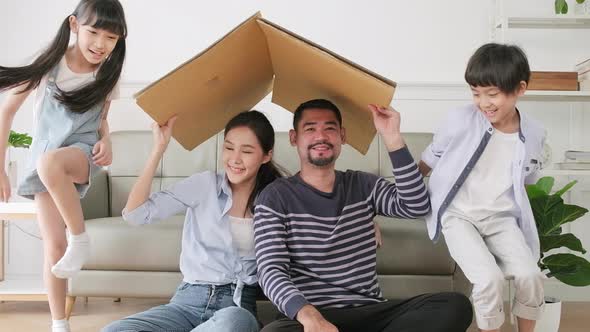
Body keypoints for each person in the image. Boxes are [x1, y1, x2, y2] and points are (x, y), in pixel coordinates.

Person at [254, 98, 473, 332]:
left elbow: (416, 205)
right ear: (293, 138)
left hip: (370, 313)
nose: (321, 136)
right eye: (310, 129)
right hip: (311, 317)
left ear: (342, 136)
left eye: (330, 128)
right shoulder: (274, 196)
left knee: (455, 306)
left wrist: (392, 137)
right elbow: (270, 269)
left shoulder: (362, 185)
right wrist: (308, 316)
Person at [0, 1, 127, 331]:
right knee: (54, 248)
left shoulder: (108, 73)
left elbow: (102, 122)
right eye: (94, 32)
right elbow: (6, 113)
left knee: (50, 163)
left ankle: (81, 239)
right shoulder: (50, 66)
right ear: (74, 25)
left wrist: (107, 142)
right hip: (45, 165)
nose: (100, 44)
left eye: (111, 37)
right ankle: (60, 324)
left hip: (80, 156)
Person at [103, 110, 283, 332]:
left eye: (246, 151)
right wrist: (158, 149)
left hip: (235, 307)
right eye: (228, 148)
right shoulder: (204, 185)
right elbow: (135, 215)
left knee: (235, 321)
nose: (235, 159)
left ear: (266, 156)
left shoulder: (276, 198)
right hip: (186, 304)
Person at [419, 43, 546, 332]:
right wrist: (402, 196)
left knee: (530, 275)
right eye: (476, 93)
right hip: (458, 216)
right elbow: (427, 161)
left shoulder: (535, 133)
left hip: (500, 218)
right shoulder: (459, 120)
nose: (483, 102)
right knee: (489, 279)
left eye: (492, 94)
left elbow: (526, 184)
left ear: (520, 89)